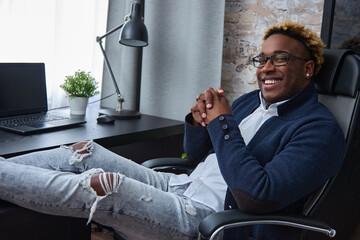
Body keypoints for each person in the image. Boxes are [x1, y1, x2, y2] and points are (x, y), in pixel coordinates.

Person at [0, 21, 345, 240]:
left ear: (309, 68)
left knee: (106, 189)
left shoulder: (318, 130)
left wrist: (223, 125)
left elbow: (256, 196)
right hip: (180, 185)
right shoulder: (253, 102)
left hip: (212, 216)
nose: (266, 68)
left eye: (280, 59)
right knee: (83, 151)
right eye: (262, 59)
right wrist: (198, 121)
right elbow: (196, 156)